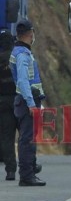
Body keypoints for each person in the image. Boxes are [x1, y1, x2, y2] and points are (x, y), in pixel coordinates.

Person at [10, 19, 45, 187]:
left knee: (28, 138)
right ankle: (27, 176)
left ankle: (29, 171)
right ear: (30, 33)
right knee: (27, 139)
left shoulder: (18, 51)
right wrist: (31, 103)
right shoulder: (23, 55)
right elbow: (23, 81)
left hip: (24, 101)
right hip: (27, 102)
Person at [0, 30, 17, 180]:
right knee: (26, 135)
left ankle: (10, 171)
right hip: (19, 101)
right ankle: (30, 166)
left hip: (3, 102)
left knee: (7, 137)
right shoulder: (17, 57)